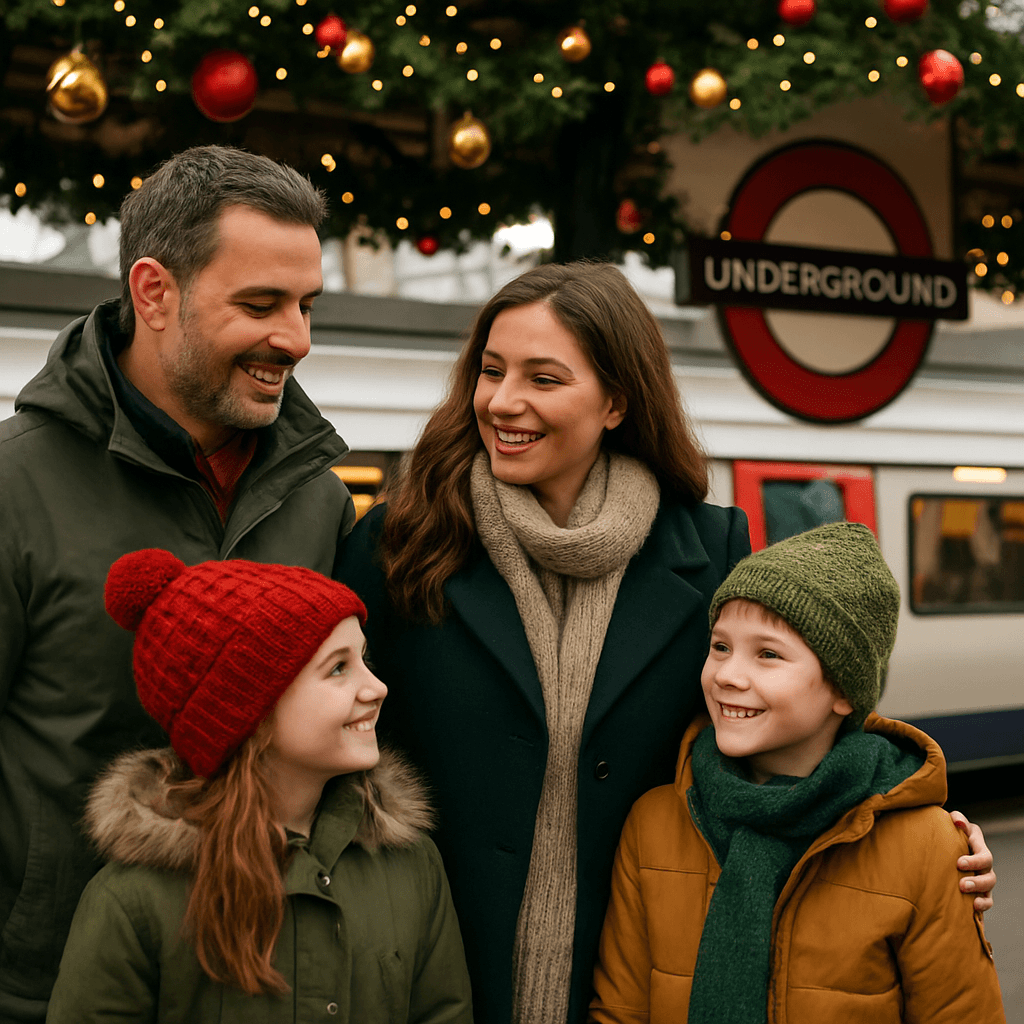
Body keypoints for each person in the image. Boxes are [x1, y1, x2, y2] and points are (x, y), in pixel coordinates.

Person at [337, 261, 996, 1024]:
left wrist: (911, 826)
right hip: (433, 967)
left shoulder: (711, 547)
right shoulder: (401, 541)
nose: (502, 401)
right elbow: (330, 743)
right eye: (491, 370)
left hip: (631, 971)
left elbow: (773, 737)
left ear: (616, 401)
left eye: (544, 379)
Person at [0, 145, 354, 1023]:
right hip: (43, 991)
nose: (297, 339)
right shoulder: (14, 490)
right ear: (154, 292)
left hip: (269, 982)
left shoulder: (320, 502)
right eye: (261, 304)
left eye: (307, 305)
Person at [590, 522, 1006, 1024]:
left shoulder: (929, 847)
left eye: (767, 654)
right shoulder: (654, 823)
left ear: (844, 691)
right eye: (720, 646)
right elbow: (619, 1010)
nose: (727, 674)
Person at [46, 549, 472, 1024]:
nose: (376, 687)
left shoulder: (410, 868)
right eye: (337, 668)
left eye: (363, 658)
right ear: (247, 712)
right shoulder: (135, 901)